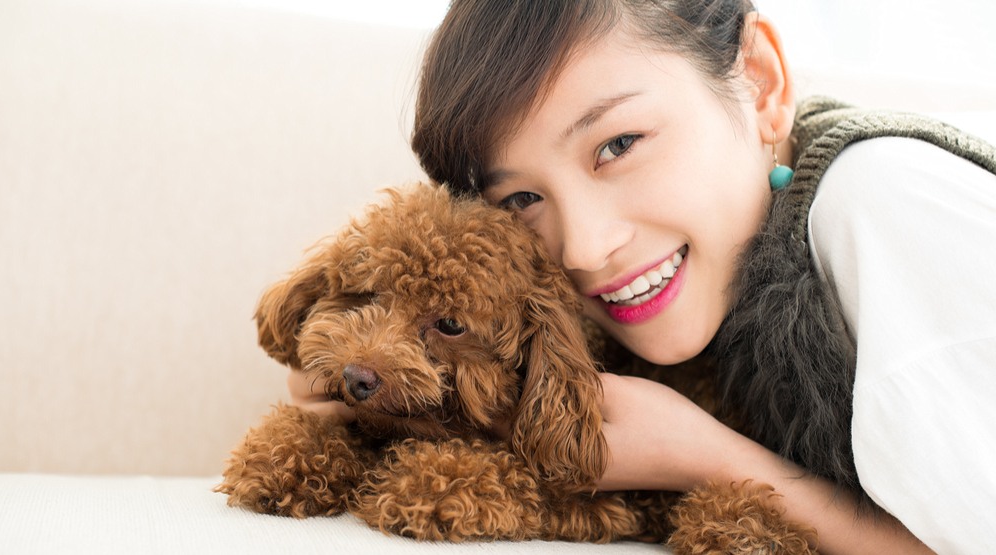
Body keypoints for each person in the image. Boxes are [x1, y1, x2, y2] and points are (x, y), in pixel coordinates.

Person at [293, 1, 996, 553]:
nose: (586, 249)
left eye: (619, 144)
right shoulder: (706, 269)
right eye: (522, 199)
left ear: (760, 79)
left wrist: (706, 458)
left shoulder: (879, 207)